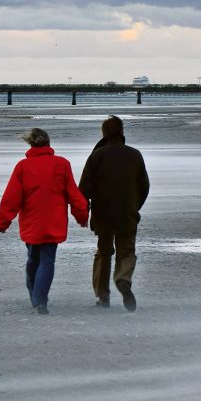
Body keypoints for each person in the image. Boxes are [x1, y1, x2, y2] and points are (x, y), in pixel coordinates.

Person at [0, 128, 89, 314]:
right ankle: (40, 298)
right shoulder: (61, 164)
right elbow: (73, 194)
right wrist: (81, 215)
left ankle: (36, 296)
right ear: (48, 143)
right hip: (53, 223)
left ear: (31, 143)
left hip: (31, 223)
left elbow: (11, 197)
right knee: (47, 261)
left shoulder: (23, 166)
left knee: (33, 260)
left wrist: (3, 221)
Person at [79, 116, 149, 312]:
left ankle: (103, 296)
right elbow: (144, 186)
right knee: (126, 250)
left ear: (104, 134)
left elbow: (84, 189)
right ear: (122, 132)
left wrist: (83, 211)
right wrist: (134, 206)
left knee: (103, 253)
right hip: (127, 213)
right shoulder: (135, 155)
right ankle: (123, 279)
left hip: (103, 214)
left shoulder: (97, 155)